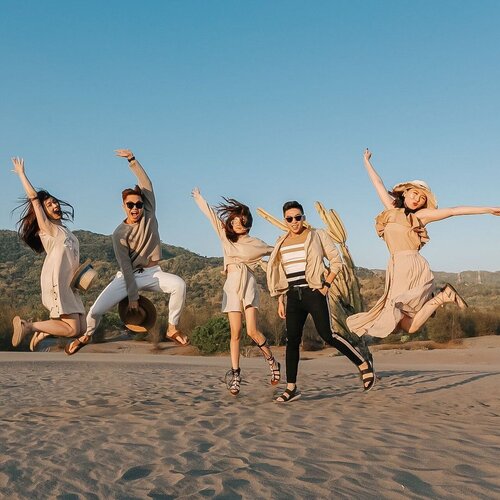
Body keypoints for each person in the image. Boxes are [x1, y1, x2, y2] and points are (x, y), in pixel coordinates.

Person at [346, 149, 500, 339]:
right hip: (395, 267)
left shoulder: (420, 216)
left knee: (396, 318)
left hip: (411, 266)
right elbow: (378, 183)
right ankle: (444, 296)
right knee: (407, 327)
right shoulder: (392, 211)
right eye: (415, 194)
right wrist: (367, 162)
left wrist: (487, 209)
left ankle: (444, 296)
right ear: (406, 193)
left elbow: (453, 211)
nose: (417, 199)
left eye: (422, 198)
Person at [65, 149, 189, 354]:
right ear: (123, 206)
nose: (135, 208)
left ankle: (172, 328)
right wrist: (132, 297)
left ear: (143, 205)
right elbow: (126, 267)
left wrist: (132, 160)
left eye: (138, 204)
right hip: (127, 276)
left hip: (152, 273)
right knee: (95, 311)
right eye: (130, 204)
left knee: (179, 285)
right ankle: (86, 335)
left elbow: (147, 184)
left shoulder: (149, 214)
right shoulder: (119, 234)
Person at [267, 201, 374, 403]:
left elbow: (336, 261)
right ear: (285, 220)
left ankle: (362, 363)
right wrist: (280, 299)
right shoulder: (281, 241)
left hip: (313, 292)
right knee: (292, 342)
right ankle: (291, 388)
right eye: (290, 218)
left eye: (298, 217)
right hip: (292, 295)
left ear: (304, 218)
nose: (294, 222)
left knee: (328, 334)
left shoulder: (317, 235)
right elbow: (281, 273)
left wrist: (326, 285)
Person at [192, 188, 280, 395]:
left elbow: (276, 252)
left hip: (248, 283)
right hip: (232, 285)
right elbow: (212, 216)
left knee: (251, 331)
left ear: (247, 223)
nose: (236, 223)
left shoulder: (256, 243)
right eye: (234, 220)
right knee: (236, 333)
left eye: (240, 220)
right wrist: (199, 198)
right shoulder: (226, 237)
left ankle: (272, 362)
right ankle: (235, 375)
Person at [10, 157, 86, 351]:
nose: (55, 206)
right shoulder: (48, 228)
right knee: (71, 330)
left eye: (55, 202)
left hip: (71, 284)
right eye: (50, 205)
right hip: (56, 280)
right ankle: (28, 326)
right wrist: (21, 174)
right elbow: (34, 198)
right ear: (43, 212)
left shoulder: (67, 231)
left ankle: (44, 331)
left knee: (82, 329)